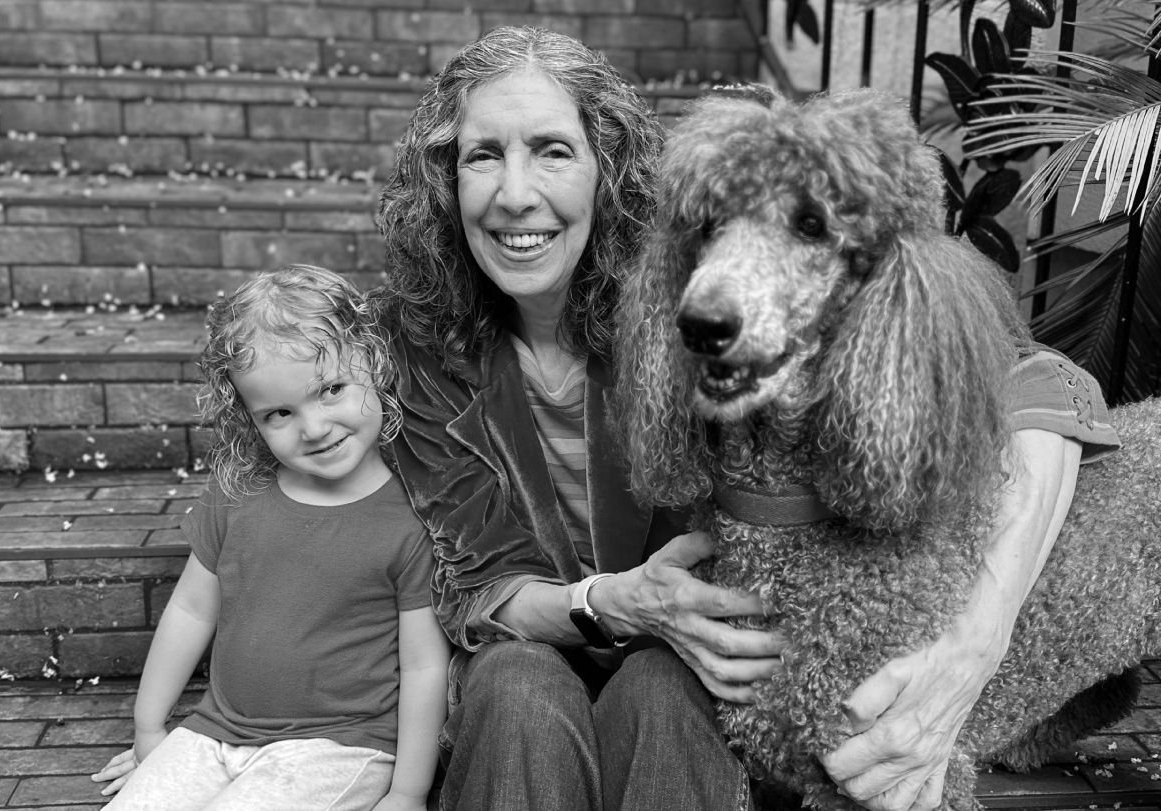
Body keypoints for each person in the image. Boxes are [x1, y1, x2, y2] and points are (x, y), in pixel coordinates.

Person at [374, 26, 1120, 811]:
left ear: (605, 167)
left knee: (664, 683)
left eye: (552, 151)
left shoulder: (704, 285)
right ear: (446, 182)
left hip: (700, 675)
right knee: (514, 681)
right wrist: (607, 602)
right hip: (527, 667)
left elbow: (1042, 384)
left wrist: (981, 632)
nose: (515, 193)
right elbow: (476, 587)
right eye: (482, 154)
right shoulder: (417, 342)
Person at [90, 265, 450, 811]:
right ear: (249, 417)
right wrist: (148, 730)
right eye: (280, 412)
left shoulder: (410, 516)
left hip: (338, 747)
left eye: (330, 390)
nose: (314, 427)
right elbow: (190, 609)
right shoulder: (238, 493)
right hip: (216, 732)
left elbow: (424, 665)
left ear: (374, 365)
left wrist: (408, 791)